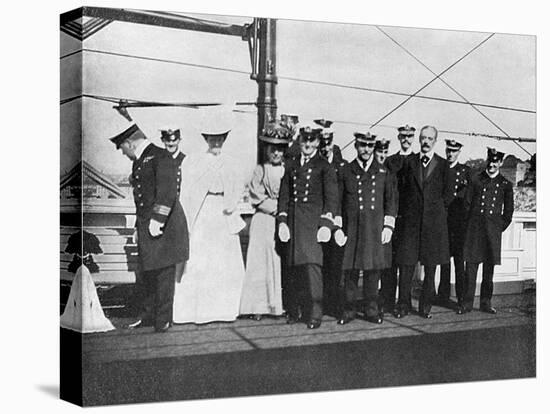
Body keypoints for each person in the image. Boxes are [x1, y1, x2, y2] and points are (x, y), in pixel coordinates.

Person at [110, 123, 189, 333]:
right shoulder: (142, 160)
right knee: (148, 270)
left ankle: (163, 319)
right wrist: (139, 226)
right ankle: (148, 316)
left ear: (129, 143)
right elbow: (142, 200)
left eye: (122, 147)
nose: (123, 152)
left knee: (163, 271)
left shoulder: (160, 155)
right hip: (148, 224)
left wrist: (157, 219)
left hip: (165, 223)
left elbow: (168, 190)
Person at [173, 122, 246, 324]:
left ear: (224, 139)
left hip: (223, 212)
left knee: (224, 261)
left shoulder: (232, 162)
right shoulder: (194, 162)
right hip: (203, 213)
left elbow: (238, 186)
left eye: (220, 138)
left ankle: (224, 310)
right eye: (212, 138)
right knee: (201, 260)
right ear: (206, 139)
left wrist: (232, 203)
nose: (216, 142)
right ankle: (196, 311)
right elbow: (187, 191)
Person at [277, 126, 339, 329]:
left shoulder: (324, 166)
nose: (307, 144)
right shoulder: (292, 165)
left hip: (313, 224)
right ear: (300, 141)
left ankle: (315, 313)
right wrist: (282, 222)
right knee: (294, 270)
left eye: (312, 141)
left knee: (312, 268)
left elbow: (332, 199)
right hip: (294, 223)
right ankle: (295, 310)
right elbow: (284, 196)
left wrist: (326, 224)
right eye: (304, 140)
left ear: (318, 143)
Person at [336, 132, 398, 325]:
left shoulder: (383, 172)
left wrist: (388, 225)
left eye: (370, 146)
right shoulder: (346, 170)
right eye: (363, 145)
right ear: (356, 145)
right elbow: (338, 201)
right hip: (352, 228)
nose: (366, 150)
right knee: (351, 271)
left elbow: (390, 201)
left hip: (374, 228)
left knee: (373, 271)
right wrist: (338, 227)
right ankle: (349, 309)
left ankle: (371, 310)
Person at [394, 125, 452, 319]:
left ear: (435, 141)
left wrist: (433, 212)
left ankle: (425, 306)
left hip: (433, 227)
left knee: (430, 268)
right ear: (419, 140)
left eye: (430, 138)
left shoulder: (443, 165)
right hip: (410, 226)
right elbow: (401, 190)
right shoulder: (409, 162)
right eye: (423, 138)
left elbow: (448, 195)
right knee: (406, 266)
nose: (426, 142)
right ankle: (403, 305)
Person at [239, 122, 292, 319]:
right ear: (267, 150)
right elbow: (256, 195)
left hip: (282, 221)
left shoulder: (289, 169)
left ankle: (278, 304)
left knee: (279, 261)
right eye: (273, 150)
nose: (276, 154)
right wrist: (280, 209)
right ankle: (257, 306)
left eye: (280, 150)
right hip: (264, 220)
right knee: (260, 263)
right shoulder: (260, 169)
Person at [459, 148, 514, 314]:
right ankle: (466, 304)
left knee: (488, 271)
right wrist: (470, 226)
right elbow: (466, 205)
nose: (492, 164)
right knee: (471, 269)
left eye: (495, 162)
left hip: (491, 233)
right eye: (490, 161)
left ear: (500, 163)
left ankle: (485, 303)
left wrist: (497, 228)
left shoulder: (505, 184)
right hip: (474, 232)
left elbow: (508, 213)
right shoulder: (476, 180)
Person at [379, 125, 415, 316]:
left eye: (410, 136)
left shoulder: (417, 162)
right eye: (403, 136)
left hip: (410, 221)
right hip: (392, 218)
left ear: (413, 137)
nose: (406, 139)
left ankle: (404, 303)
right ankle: (386, 301)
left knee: (407, 264)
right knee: (389, 262)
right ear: (399, 137)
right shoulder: (390, 161)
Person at [316, 118, 348, 317]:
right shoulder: (313, 164)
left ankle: (333, 304)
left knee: (335, 265)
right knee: (318, 264)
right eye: (322, 141)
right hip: (316, 221)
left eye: (329, 141)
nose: (326, 146)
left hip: (336, 222)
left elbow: (345, 194)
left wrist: (339, 222)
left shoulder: (340, 165)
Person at [436, 139, 471, 309]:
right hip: (442, 223)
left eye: (454, 151)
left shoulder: (465, 171)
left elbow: (467, 198)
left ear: (459, 152)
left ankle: (462, 300)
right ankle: (442, 296)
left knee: (458, 263)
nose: (450, 154)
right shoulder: (439, 169)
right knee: (444, 262)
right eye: (448, 150)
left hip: (458, 225)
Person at [160, 128, 186, 195]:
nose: (171, 144)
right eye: (168, 140)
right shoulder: (158, 160)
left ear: (179, 140)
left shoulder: (185, 160)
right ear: (162, 140)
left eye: (174, 140)